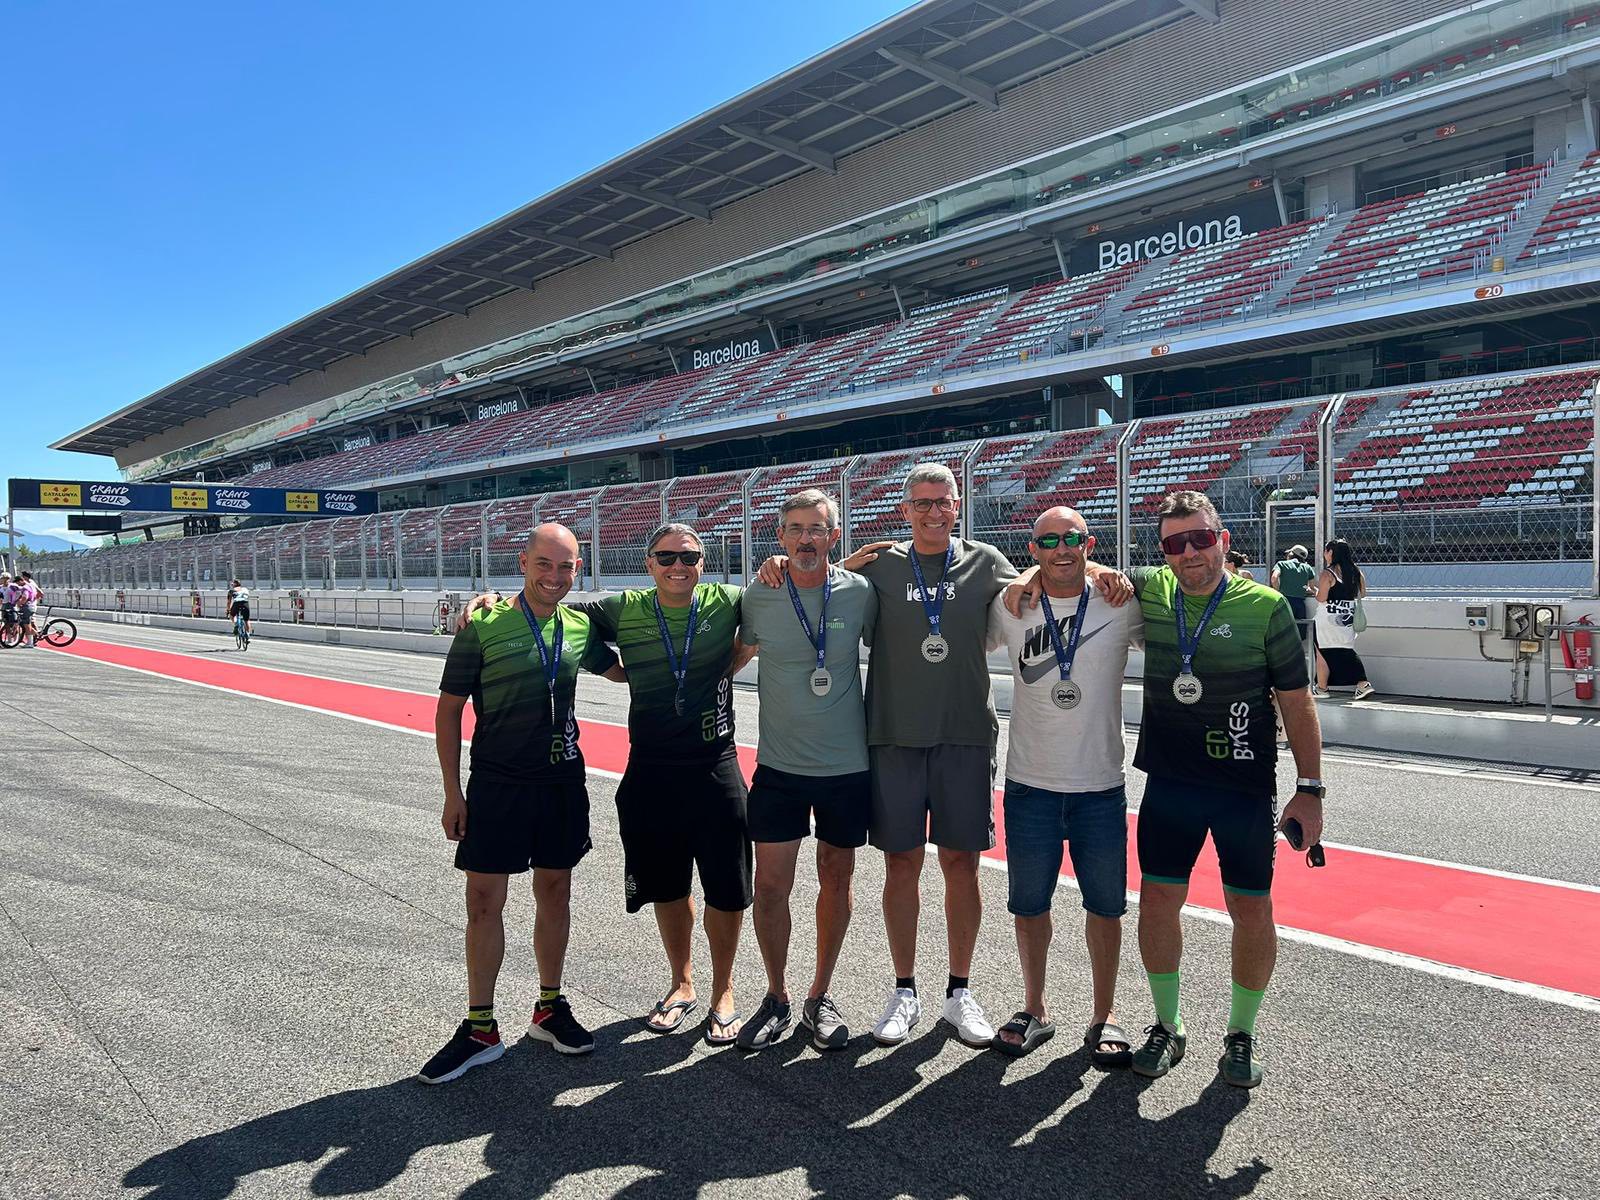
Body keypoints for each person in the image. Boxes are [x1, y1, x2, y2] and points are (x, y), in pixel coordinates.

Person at [759, 463, 1129, 1050]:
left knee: (961, 864)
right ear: (904, 510)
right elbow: (823, 574)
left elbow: (1054, 565)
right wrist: (782, 562)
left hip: (964, 738)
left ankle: (959, 991)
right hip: (892, 738)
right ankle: (904, 988)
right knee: (900, 865)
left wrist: (1109, 571)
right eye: (921, 503)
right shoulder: (877, 565)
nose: (933, 512)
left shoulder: (985, 562)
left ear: (958, 505)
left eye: (943, 501)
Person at [460, 524, 756, 1046]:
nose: (677, 566)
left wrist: (728, 663)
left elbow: (786, 594)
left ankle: (724, 992)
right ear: (649, 562)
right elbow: (550, 606)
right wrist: (494, 602)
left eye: (688, 557)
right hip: (650, 769)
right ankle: (681, 983)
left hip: (715, 764)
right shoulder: (621, 608)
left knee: (726, 889)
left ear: (704, 562)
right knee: (668, 885)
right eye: (666, 556)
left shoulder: (730, 599)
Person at [1124, 491, 1324, 1089]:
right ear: (1163, 552)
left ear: (1224, 539)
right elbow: (1072, 565)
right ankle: (1168, 1024)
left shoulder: (1265, 607)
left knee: (1251, 909)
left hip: (1243, 790)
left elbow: (1297, 700)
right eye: (1175, 543)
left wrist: (1309, 788)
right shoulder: (1150, 591)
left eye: (1200, 538)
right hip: (1170, 785)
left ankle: (1241, 1034)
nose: (1189, 552)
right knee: (1159, 902)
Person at [420, 523, 625, 1084]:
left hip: (561, 783)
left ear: (578, 570)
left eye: (566, 567)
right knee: (484, 901)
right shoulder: (482, 623)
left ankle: (549, 1008)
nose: (554, 577)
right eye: (545, 564)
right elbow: (447, 711)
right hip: (496, 784)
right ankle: (480, 1027)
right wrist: (452, 791)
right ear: (523, 562)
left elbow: (628, 671)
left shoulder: (580, 625)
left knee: (555, 889)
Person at [985, 507, 1143, 1063]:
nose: (1060, 549)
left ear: (1088, 543)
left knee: (1106, 907)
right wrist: (1022, 581)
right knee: (1029, 905)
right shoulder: (1012, 605)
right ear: (1032, 549)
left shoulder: (1120, 602)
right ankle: (1035, 1007)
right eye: (1047, 541)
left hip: (1100, 785)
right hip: (1029, 783)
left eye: (1071, 539)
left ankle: (1106, 1015)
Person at [736, 489, 877, 1052]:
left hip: (846, 768)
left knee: (835, 881)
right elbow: (734, 657)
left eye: (816, 529)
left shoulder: (860, 591)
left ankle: (820, 994)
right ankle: (776, 995)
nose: (804, 539)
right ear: (780, 539)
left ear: (834, 536)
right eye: (794, 529)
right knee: (770, 887)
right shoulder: (761, 592)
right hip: (779, 766)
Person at [1313, 538, 1373, 700]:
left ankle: (1323, 688)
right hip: (1347, 617)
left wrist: (1314, 591)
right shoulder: (1356, 571)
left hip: (1328, 618)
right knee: (1345, 648)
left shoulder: (1328, 573)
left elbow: (1321, 598)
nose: (1325, 554)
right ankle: (1360, 684)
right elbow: (1363, 593)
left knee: (1321, 651)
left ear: (1331, 552)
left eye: (1326, 551)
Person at [1270, 546, 1317, 645]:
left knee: (1282, 633)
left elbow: (1274, 578)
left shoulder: (1282, 564)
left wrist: (1277, 591)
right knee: (1299, 635)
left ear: (1291, 554)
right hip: (1300, 605)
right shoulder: (1307, 568)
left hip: (1285, 603)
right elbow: (1312, 588)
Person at [16, 572, 40, 648]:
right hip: (31, 606)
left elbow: (25, 598)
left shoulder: (26, 587)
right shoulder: (31, 585)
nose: (18, 585)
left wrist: (19, 603)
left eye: (18, 583)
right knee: (27, 624)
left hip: (27, 607)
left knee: (27, 625)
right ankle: (35, 635)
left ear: (22, 580)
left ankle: (30, 642)